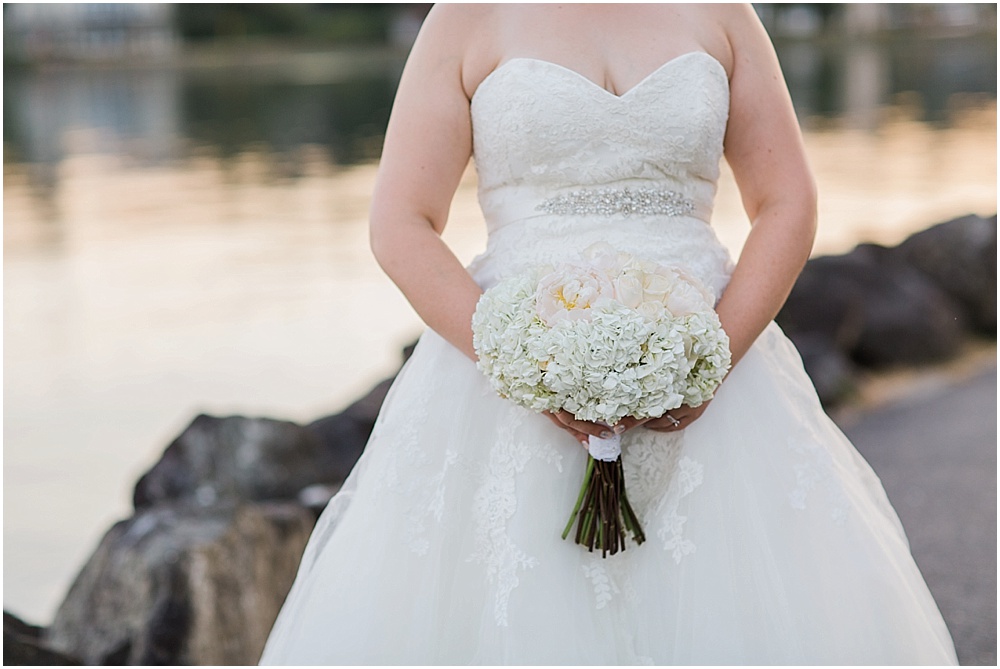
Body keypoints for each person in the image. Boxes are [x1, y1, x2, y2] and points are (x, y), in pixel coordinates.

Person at [259, 4, 958, 664]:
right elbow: (401, 223)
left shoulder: (722, 13)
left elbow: (788, 201)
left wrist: (710, 357)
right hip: (509, 386)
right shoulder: (465, 17)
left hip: (713, 370)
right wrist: (520, 361)